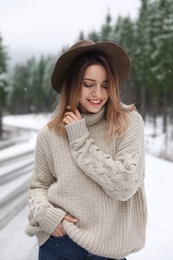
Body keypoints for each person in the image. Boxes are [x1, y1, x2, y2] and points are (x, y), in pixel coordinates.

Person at [25, 39, 147, 260]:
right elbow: (38, 186)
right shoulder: (50, 133)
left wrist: (80, 139)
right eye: (88, 84)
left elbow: (125, 184)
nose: (97, 93)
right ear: (72, 85)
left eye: (105, 84)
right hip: (60, 245)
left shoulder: (128, 122)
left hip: (111, 248)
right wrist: (47, 215)